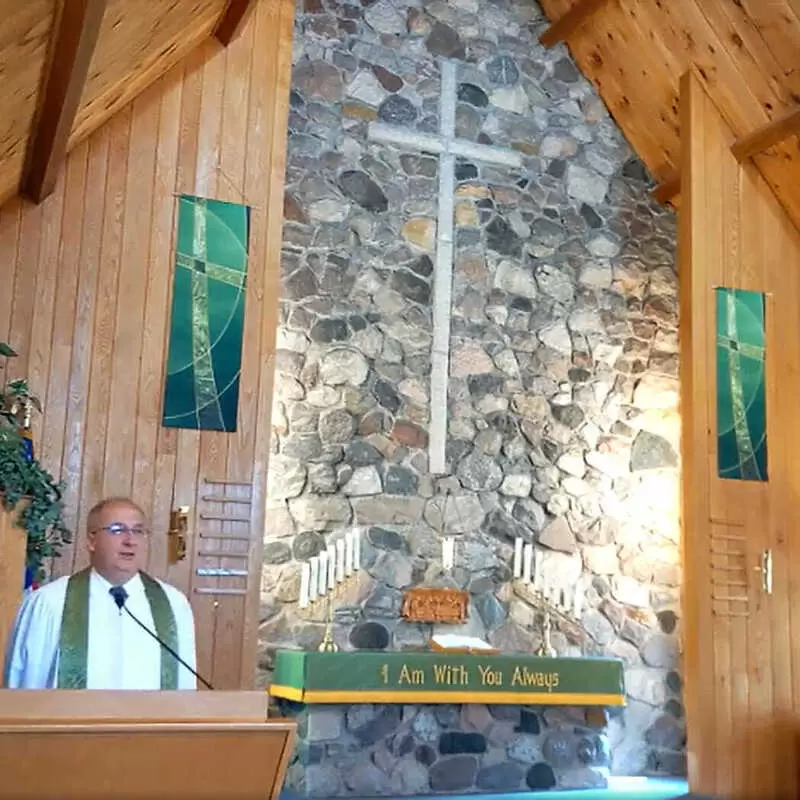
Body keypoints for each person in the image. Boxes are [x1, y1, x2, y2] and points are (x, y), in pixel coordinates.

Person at [3, 497, 197, 690]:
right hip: (73, 719)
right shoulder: (50, 603)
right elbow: (25, 683)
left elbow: (185, 687)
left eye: (138, 531)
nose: (130, 541)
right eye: (117, 530)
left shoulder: (173, 604)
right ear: (91, 541)